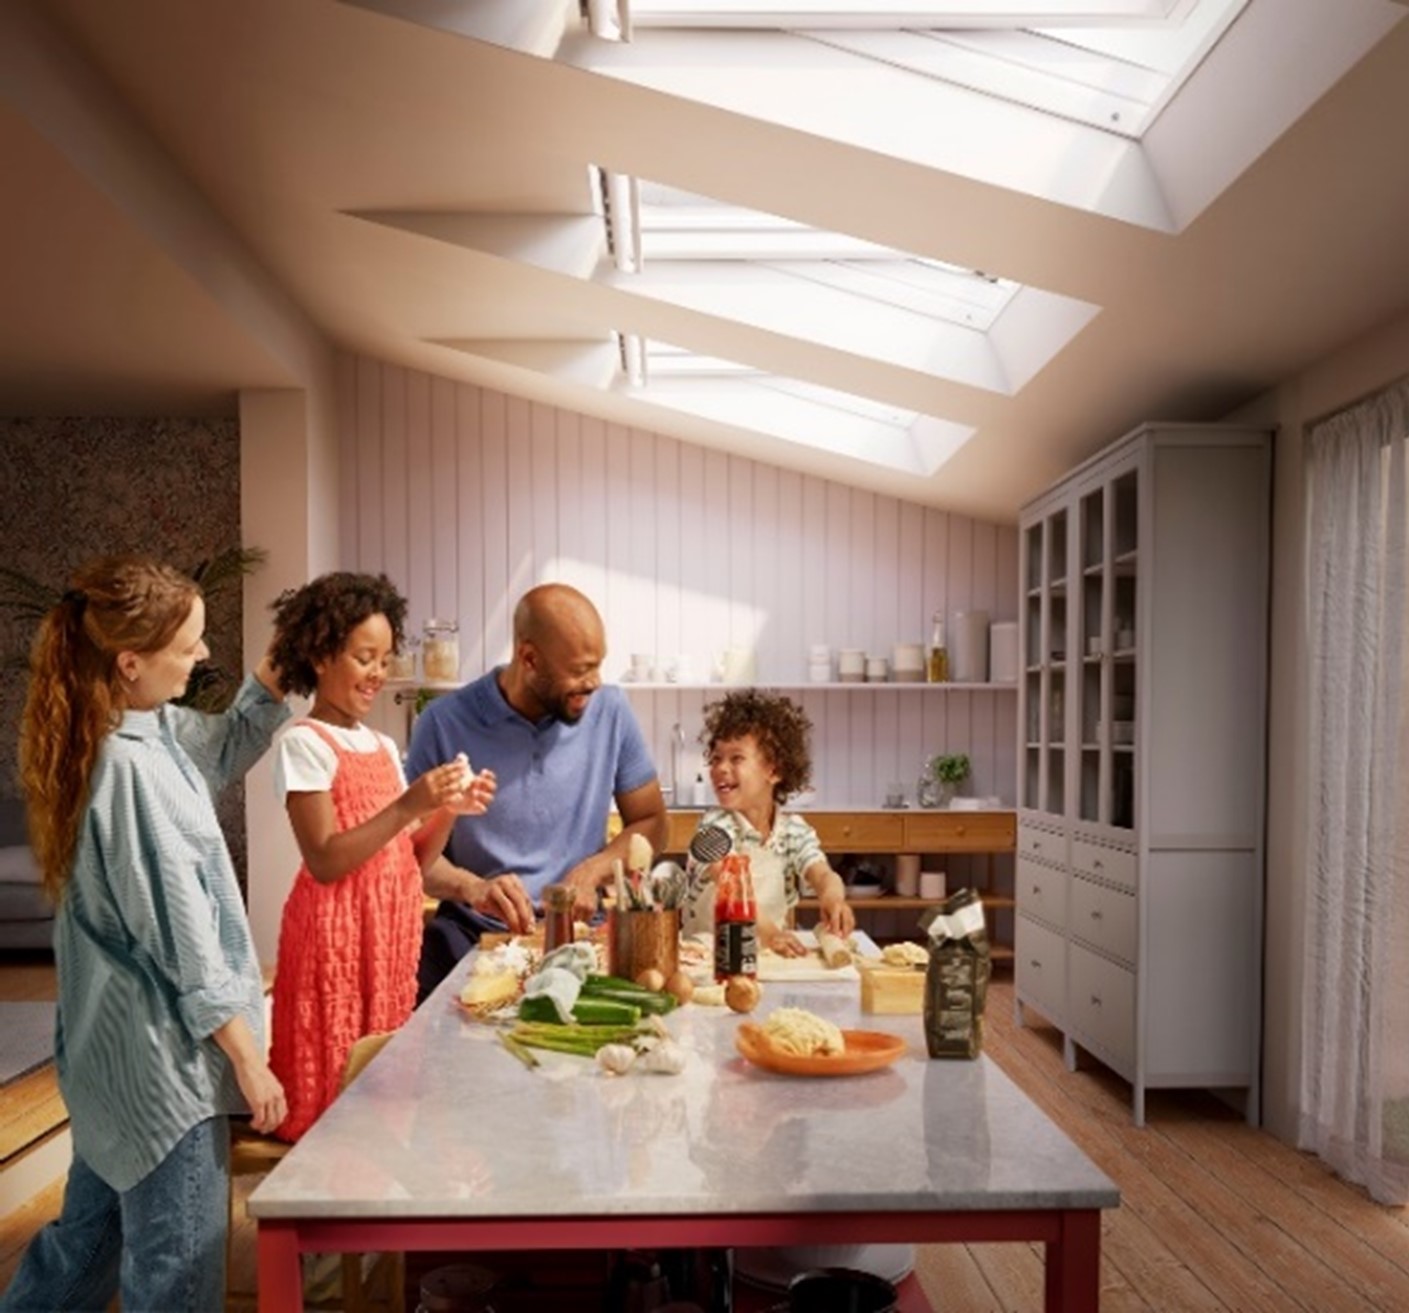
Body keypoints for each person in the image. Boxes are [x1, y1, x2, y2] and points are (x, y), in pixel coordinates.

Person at [0, 556, 290, 1313]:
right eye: (189, 644)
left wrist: (271, 677)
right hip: (166, 1072)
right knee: (178, 1280)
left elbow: (223, 748)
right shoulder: (126, 769)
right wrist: (247, 1058)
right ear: (131, 661)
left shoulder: (143, 729)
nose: (202, 656)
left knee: (79, 1257)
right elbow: (182, 935)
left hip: (113, 1065)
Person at [265, 572, 496, 1142]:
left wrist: (446, 811)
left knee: (382, 1085)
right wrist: (410, 803)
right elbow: (324, 859)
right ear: (320, 655)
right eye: (364, 657)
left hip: (387, 937)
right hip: (336, 942)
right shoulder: (304, 743)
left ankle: (373, 1192)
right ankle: (326, 1200)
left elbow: (409, 864)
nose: (378, 674)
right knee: (336, 1081)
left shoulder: (383, 747)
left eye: (385, 658)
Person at [409, 583, 668, 1000]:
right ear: (529, 659)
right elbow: (415, 859)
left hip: (581, 936)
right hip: (471, 935)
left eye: (598, 666)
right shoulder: (442, 724)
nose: (595, 682)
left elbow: (652, 823)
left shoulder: (611, 711)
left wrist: (592, 871)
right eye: (581, 670)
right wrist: (473, 888)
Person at [683, 688, 855, 953]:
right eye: (716, 758)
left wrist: (833, 899)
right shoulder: (714, 828)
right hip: (709, 953)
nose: (721, 768)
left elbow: (822, 874)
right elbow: (729, 884)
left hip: (770, 951)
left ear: (773, 771)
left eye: (736, 758)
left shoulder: (793, 832)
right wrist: (771, 934)